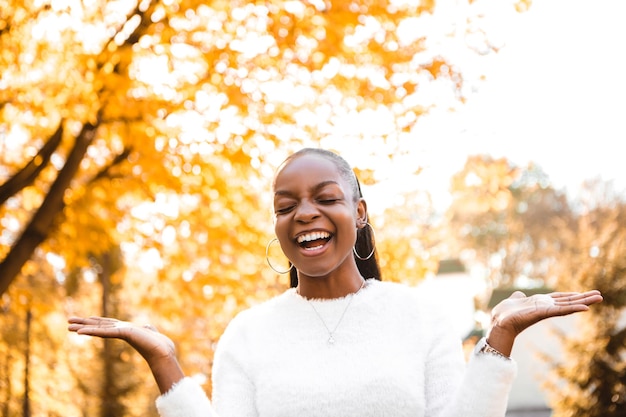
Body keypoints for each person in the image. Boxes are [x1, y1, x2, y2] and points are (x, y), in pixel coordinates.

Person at [68, 148, 603, 417]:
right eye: (286, 206)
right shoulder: (247, 333)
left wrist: (500, 340)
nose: (304, 214)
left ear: (359, 212)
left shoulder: (419, 317)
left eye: (325, 198)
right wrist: (165, 362)